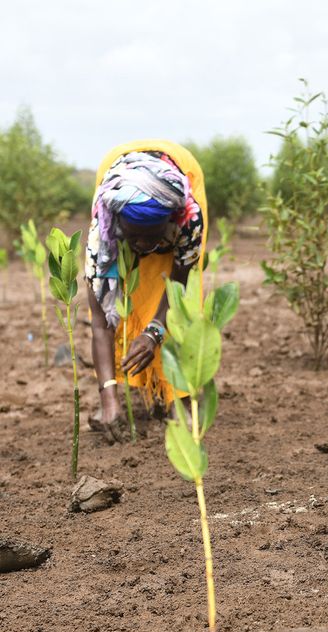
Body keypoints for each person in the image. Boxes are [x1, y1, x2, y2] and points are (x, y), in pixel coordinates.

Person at [85, 140, 208, 440]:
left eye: (151, 237)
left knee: (178, 305)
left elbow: (179, 284)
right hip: (118, 187)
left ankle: (179, 396)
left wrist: (153, 332)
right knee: (127, 296)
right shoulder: (104, 231)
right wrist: (108, 399)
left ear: (170, 223)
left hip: (183, 170)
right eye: (134, 237)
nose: (142, 246)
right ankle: (118, 399)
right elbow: (100, 322)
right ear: (119, 226)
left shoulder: (188, 219)